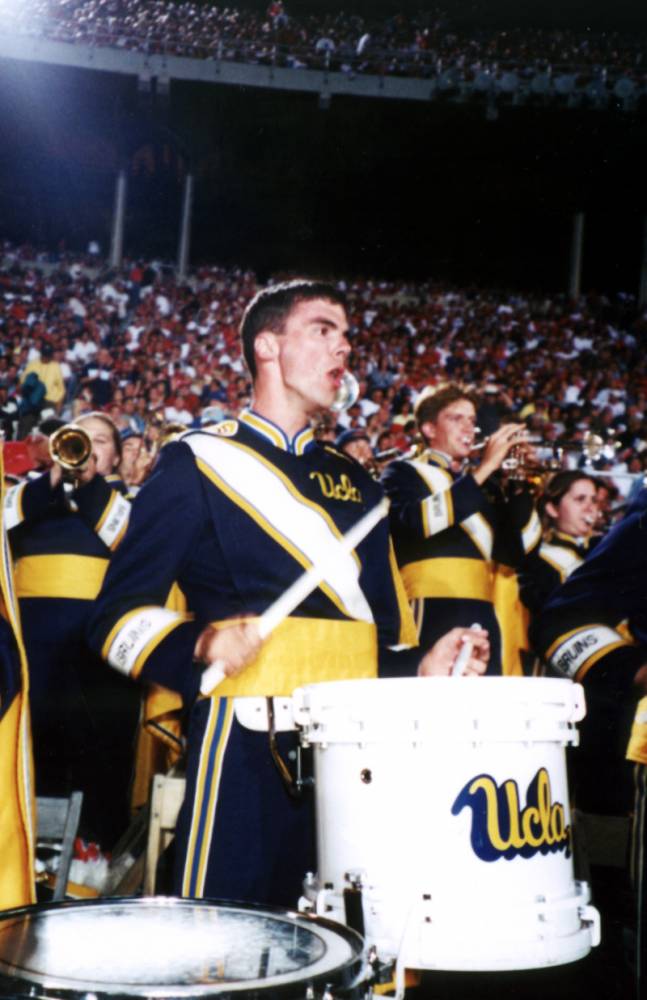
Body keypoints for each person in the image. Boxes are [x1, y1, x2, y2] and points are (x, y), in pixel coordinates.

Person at [88, 280, 489, 907]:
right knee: (222, 947)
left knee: (346, 949)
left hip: (354, 752)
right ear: (268, 345)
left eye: (348, 336)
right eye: (324, 330)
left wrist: (421, 665)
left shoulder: (359, 484)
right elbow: (113, 620)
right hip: (245, 744)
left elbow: (375, 642)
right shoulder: (198, 460)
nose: (345, 349)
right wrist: (201, 641)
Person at [5, 412, 139, 850]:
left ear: (116, 456)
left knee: (100, 764)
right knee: (35, 759)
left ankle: (94, 867)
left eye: (101, 440)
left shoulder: (129, 500)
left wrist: (89, 485)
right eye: (81, 438)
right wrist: (51, 482)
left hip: (98, 656)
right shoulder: (34, 499)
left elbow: (129, 538)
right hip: (34, 655)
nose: (89, 447)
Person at [382, 383, 541, 674]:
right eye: (457, 418)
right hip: (429, 609)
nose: (469, 428)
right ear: (429, 429)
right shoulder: (403, 471)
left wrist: (519, 485)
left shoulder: (484, 484)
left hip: (483, 613)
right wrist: (484, 470)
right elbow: (413, 524)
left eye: (471, 420)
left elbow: (518, 554)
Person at [519, 470, 599, 617]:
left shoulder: (600, 546)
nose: (590, 508)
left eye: (593, 500)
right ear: (552, 509)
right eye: (580, 499)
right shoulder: (541, 559)